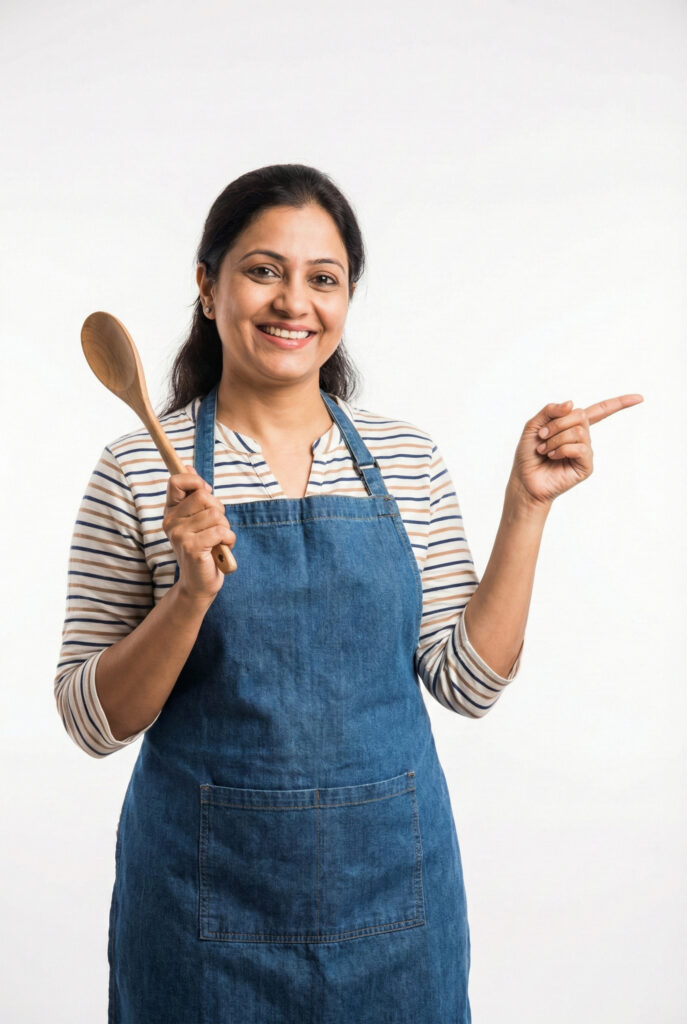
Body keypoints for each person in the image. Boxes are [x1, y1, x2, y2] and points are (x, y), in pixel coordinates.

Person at [54, 163, 643, 1023]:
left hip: (393, 903)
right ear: (206, 287)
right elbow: (90, 720)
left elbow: (466, 683)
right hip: (198, 907)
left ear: (346, 299)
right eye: (262, 270)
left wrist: (524, 508)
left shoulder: (406, 458)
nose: (293, 301)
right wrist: (187, 596)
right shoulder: (140, 467)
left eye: (322, 279)